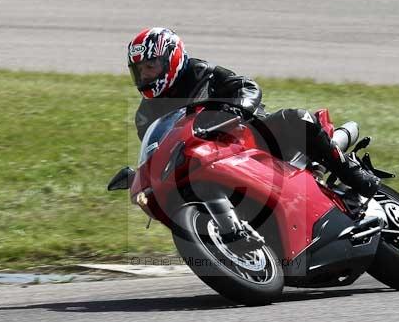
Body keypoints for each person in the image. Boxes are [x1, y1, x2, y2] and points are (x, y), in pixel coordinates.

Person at [128, 27, 380, 198]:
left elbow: (246, 86)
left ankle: (349, 170)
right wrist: (141, 173)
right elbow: (156, 147)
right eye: (139, 71)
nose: (145, 76)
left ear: (171, 58)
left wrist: (238, 107)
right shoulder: (145, 115)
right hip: (203, 157)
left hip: (247, 135)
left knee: (296, 117)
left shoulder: (202, 73)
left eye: (150, 66)